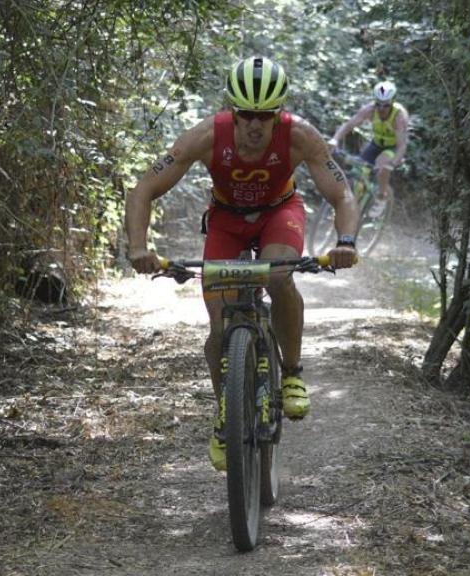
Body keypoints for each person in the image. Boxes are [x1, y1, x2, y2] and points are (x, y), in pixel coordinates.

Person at [125, 56, 359, 471]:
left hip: (279, 214)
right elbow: (144, 187)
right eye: (246, 115)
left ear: (278, 113)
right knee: (219, 327)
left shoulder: (300, 136)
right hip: (226, 221)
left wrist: (345, 241)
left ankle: (291, 373)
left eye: (265, 116)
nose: (255, 125)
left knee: (278, 274)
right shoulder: (205, 136)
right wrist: (139, 247)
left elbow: (341, 194)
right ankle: (225, 414)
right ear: (232, 111)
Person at [327, 80, 410, 216]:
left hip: (393, 147)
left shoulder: (399, 117)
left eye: (386, 105)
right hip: (376, 144)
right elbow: (349, 125)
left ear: (393, 102)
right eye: (378, 104)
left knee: (382, 166)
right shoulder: (369, 110)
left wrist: (393, 163)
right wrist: (335, 139)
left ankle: (381, 198)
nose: (381, 108)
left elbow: (402, 146)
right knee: (359, 170)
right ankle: (353, 204)